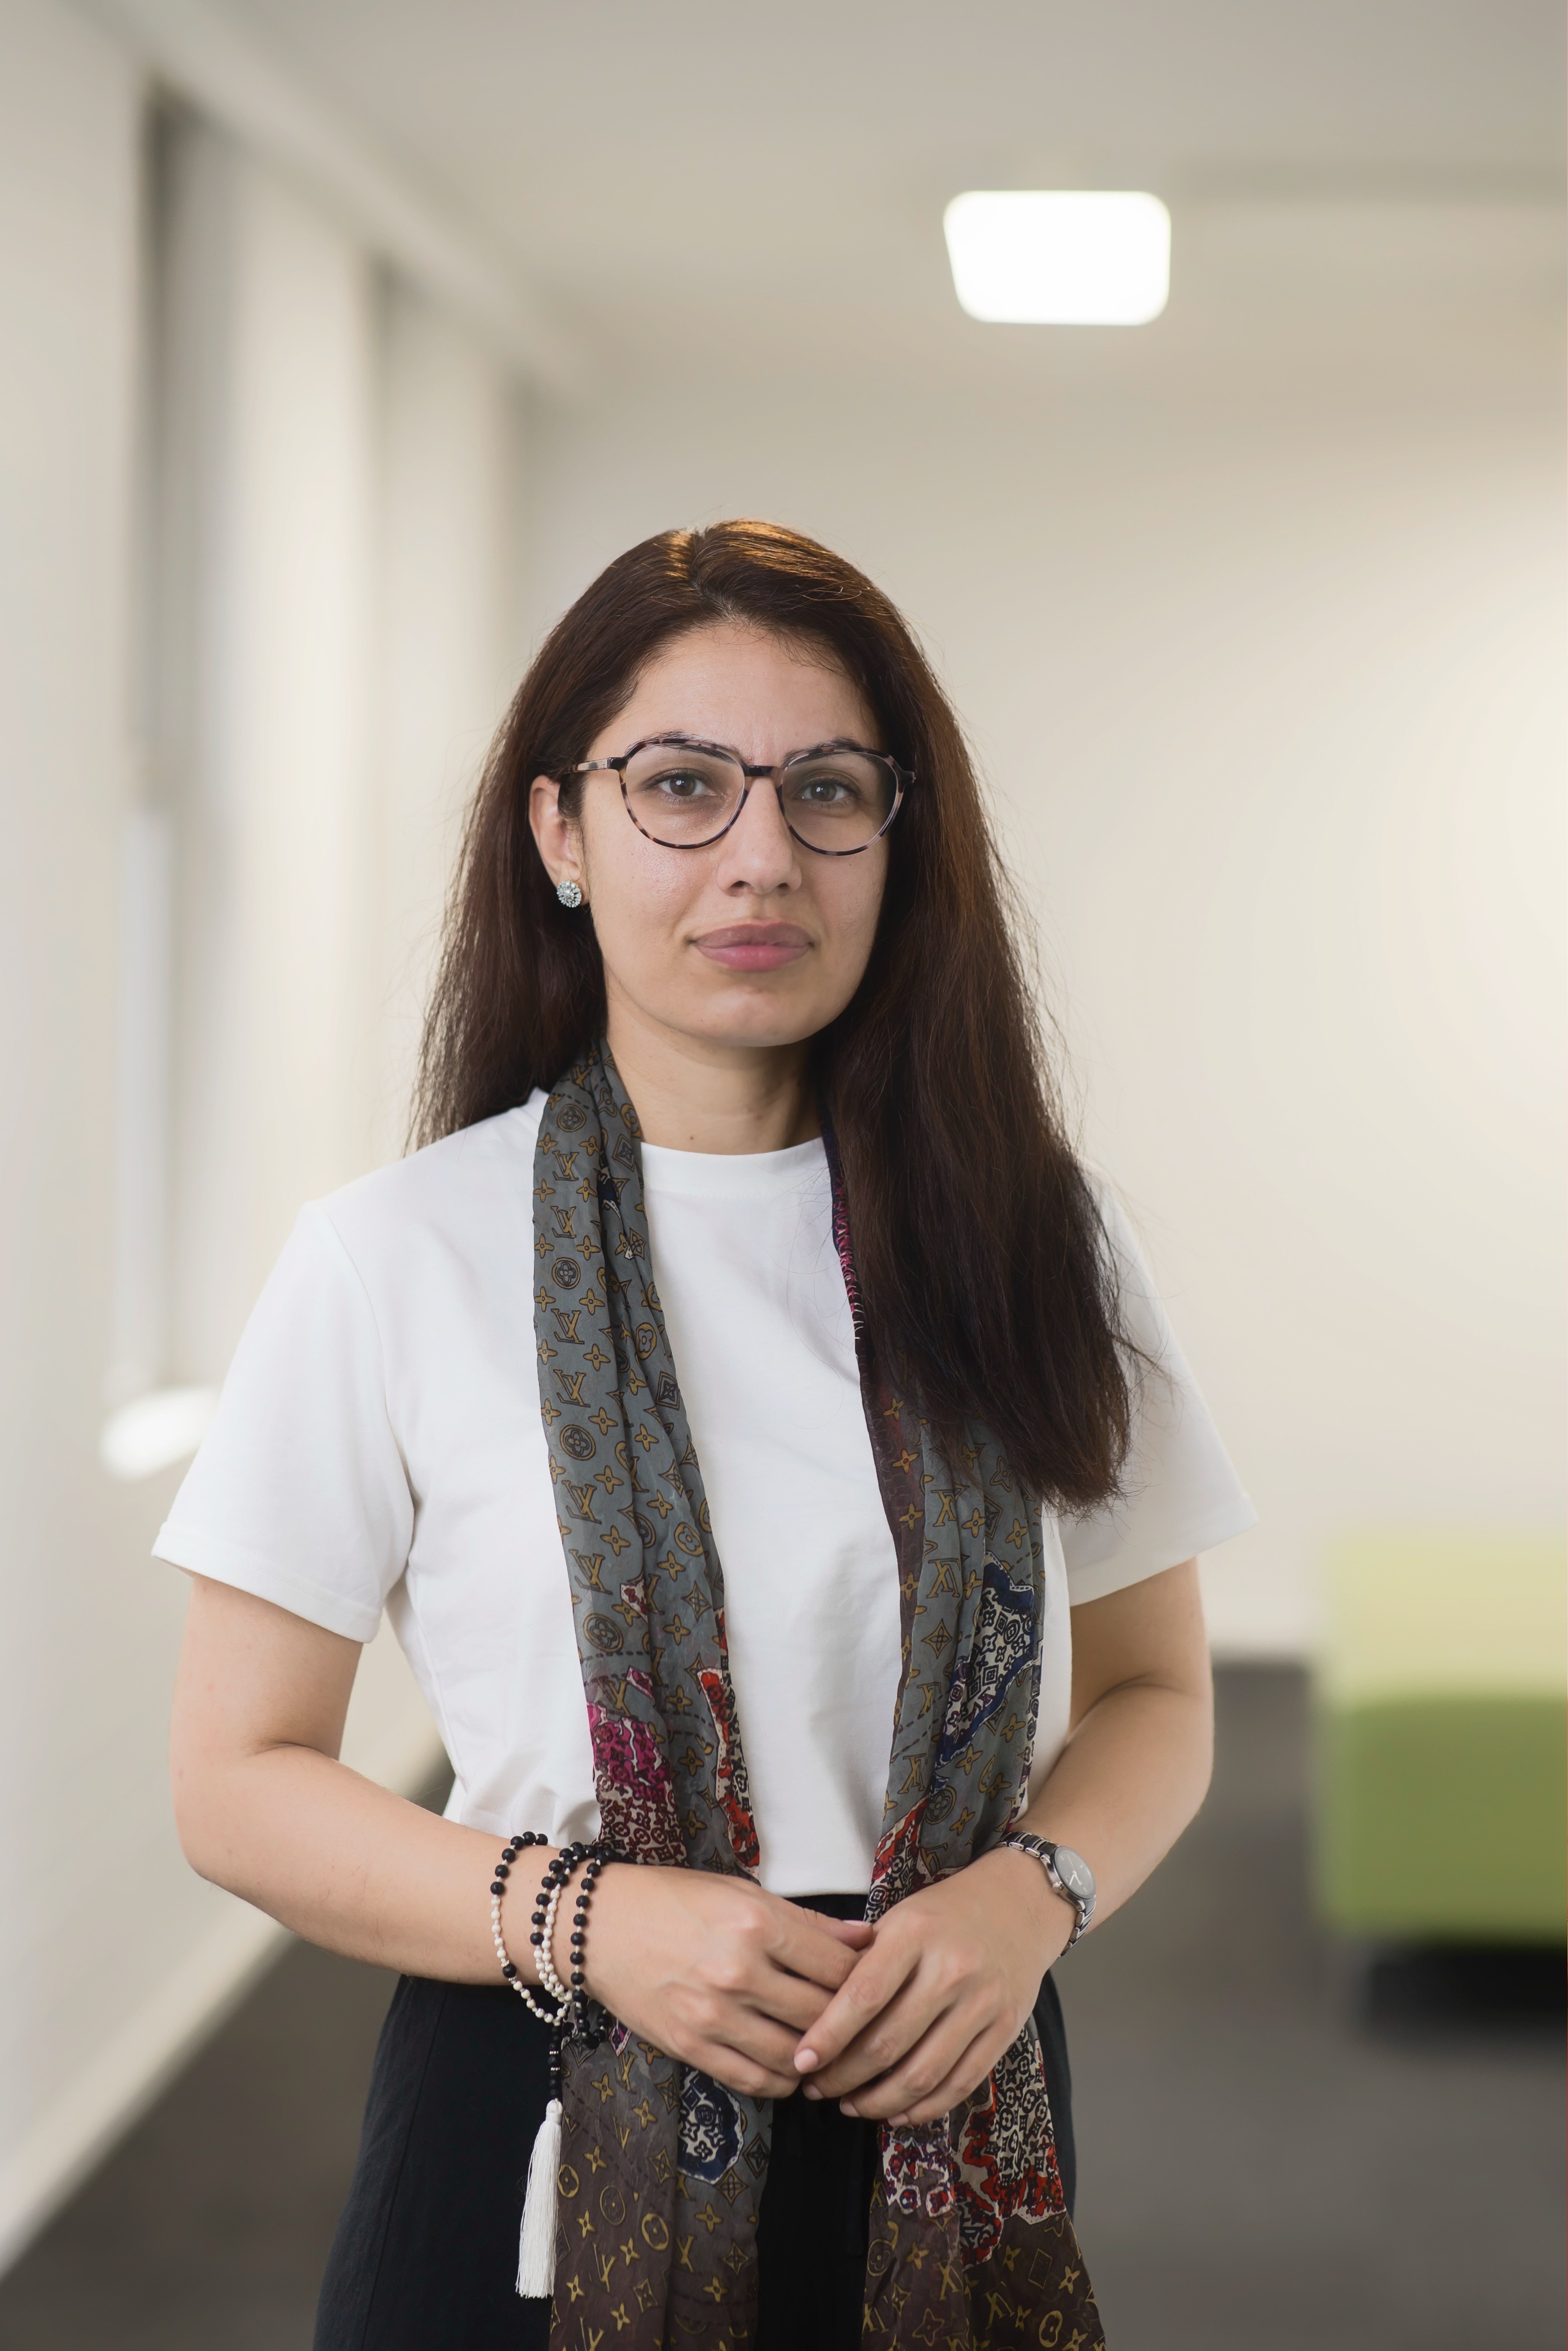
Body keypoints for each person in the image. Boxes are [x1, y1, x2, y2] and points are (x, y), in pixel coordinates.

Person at [159, 520, 1254, 2351]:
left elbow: (1156, 1693)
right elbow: (236, 1780)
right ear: (559, 833)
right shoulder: (395, 1256)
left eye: (826, 790)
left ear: (897, 837)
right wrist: (596, 1924)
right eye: (681, 786)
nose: (761, 856)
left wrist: (1030, 1899)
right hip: (535, 2091)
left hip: (943, 2079)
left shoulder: (1030, 1236)